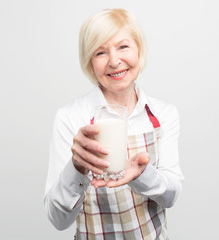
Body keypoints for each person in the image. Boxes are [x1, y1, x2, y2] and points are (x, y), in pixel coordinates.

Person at [44, 8, 184, 239]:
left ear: (139, 50)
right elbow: (58, 220)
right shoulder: (71, 118)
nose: (114, 61)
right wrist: (77, 168)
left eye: (123, 46)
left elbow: (170, 197)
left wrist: (142, 175)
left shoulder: (164, 114)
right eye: (100, 52)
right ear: (89, 62)